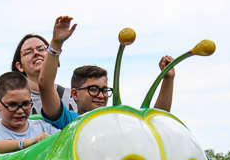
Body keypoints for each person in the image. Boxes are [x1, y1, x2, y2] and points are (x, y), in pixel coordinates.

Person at [39, 16, 176, 130]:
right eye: (93, 89)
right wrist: (56, 43)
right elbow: (45, 85)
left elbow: (155, 122)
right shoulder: (68, 120)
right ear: (74, 94)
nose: (101, 95)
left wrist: (168, 79)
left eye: (104, 90)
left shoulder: (117, 121)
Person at [0, 72, 60, 154]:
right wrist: (29, 142)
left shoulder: (45, 128)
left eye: (26, 103)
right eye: (12, 105)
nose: (20, 111)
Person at [0, 33, 76, 120]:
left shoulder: (73, 96)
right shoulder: (7, 102)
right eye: (28, 52)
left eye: (41, 49)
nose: (36, 53)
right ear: (20, 66)